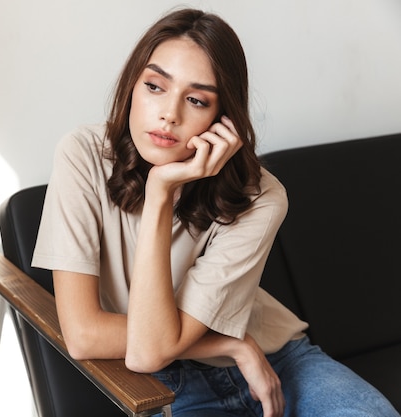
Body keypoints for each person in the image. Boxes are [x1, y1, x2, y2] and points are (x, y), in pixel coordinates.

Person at [31, 7, 399, 417]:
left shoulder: (262, 196)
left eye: (195, 99)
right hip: (166, 381)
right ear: (132, 86)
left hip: (277, 356)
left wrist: (242, 344)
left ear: (222, 117)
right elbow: (96, 339)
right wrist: (230, 343)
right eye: (155, 86)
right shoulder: (83, 155)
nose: (170, 114)